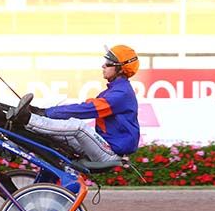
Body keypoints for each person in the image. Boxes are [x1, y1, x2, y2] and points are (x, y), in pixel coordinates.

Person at [9, 44, 140, 162]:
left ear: (121, 69)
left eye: (109, 63)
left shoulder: (121, 94)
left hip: (110, 152)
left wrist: (46, 112)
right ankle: (13, 142)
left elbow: (85, 110)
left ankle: (27, 118)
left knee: (78, 127)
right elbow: (86, 106)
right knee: (56, 134)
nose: (103, 65)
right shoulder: (115, 90)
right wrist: (43, 111)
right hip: (102, 145)